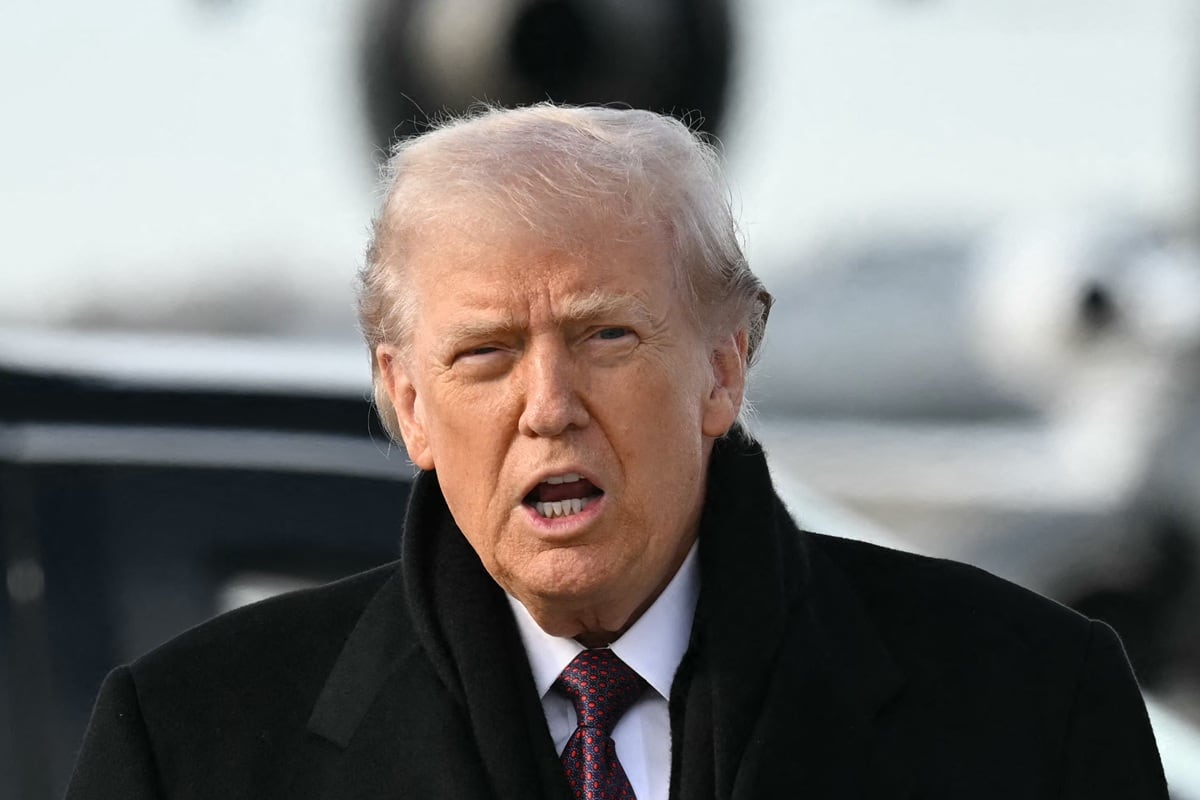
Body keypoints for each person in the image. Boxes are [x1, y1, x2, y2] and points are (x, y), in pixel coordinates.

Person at [66, 104, 1167, 799]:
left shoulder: (1033, 704)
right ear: (407, 399)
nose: (549, 406)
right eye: (486, 353)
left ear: (725, 366)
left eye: (606, 337)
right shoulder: (189, 745)